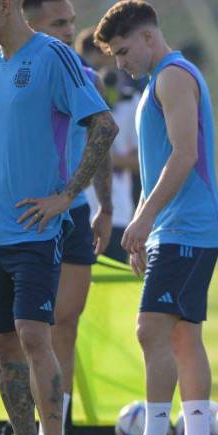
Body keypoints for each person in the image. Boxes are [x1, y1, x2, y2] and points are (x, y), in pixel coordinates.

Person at [0, 0, 117, 435]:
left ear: (5, 6)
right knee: (4, 345)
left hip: (36, 229)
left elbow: (103, 127)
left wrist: (66, 196)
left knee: (33, 335)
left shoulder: (54, 58)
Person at [95, 0, 218, 435]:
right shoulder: (160, 80)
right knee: (181, 336)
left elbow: (184, 154)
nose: (121, 64)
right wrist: (150, 229)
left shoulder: (172, 75)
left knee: (150, 329)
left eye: (124, 51)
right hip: (178, 227)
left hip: (186, 227)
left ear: (149, 37)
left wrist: (145, 218)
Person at [23, 0, 112, 435]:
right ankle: (15, 428)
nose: (69, 32)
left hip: (73, 215)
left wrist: (106, 209)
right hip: (19, 217)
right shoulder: (6, 70)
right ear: (29, 22)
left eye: (71, 22)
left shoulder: (85, 78)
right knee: (18, 330)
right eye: (59, 23)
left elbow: (96, 145)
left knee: (65, 323)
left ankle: (59, 434)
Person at [77, 26, 139, 264]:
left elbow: (141, 161)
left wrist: (100, 155)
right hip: (74, 211)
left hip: (116, 214)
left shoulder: (131, 102)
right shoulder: (69, 96)